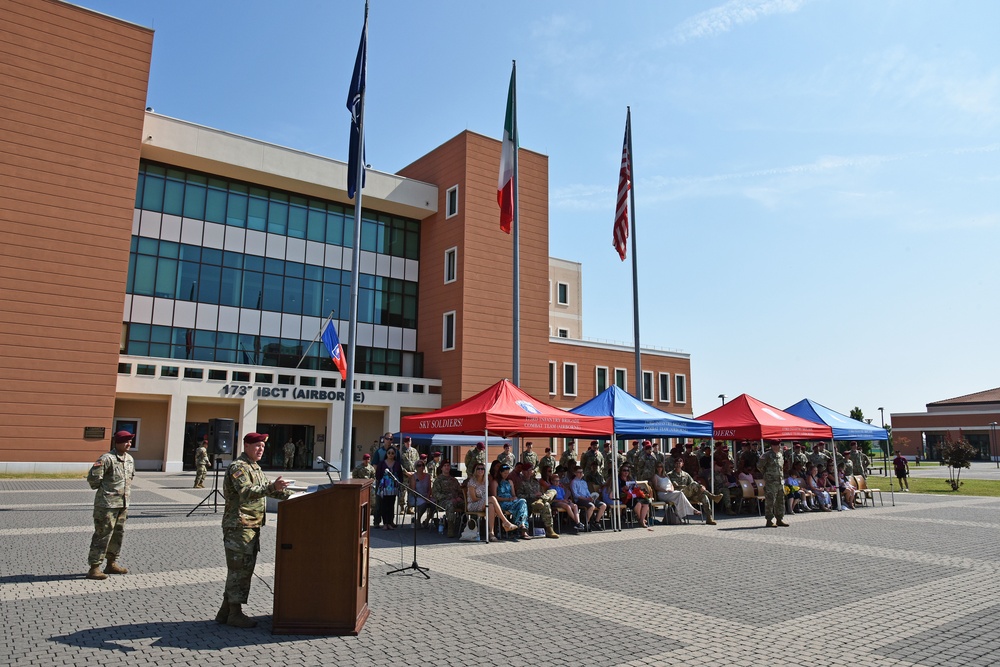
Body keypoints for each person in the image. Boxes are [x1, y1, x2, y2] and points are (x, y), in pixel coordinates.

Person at [219, 432, 291, 628]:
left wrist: (298, 496)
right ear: (246, 446)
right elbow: (247, 492)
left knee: (242, 570)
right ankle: (234, 614)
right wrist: (271, 487)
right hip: (239, 527)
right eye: (258, 445)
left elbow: (270, 490)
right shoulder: (238, 467)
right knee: (239, 571)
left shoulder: (255, 467)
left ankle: (225, 612)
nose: (261, 449)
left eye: (263, 446)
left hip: (250, 526)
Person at [86, 430, 136, 580]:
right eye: (126, 441)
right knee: (102, 535)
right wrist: (106, 492)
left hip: (123, 504)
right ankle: (94, 567)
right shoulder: (107, 458)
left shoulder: (129, 459)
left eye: (130, 441)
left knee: (118, 534)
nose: (129, 444)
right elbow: (93, 479)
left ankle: (111, 563)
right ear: (117, 442)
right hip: (106, 505)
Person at [468, 463, 518, 540]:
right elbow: (474, 499)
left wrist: (486, 501)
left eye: (482, 469)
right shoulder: (472, 482)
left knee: (491, 505)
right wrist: (486, 500)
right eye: (478, 469)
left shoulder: (486, 481)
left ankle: (491, 533)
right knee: (492, 499)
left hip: (484, 504)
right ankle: (505, 522)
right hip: (473, 505)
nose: (481, 470)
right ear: (475, 470)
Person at [667, 458, 719, 525]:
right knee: (694, 484)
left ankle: (709, 518)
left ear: (682, 464)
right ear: (674, 464)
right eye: (676, 463)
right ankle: (712, 496)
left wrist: (701, 487)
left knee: (704, 497)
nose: (678, 465)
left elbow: (692, 483)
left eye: (679, 463)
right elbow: (668, 486)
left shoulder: (686, 474)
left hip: (689, 494)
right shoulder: (670, 475)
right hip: (679, 494)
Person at [516, 463, 560, 539]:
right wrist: (534, 495)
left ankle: (541, 500)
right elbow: (519, 496)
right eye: (528, 470)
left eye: (531, 470)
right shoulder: (521, 483)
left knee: (553, 490)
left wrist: (541, 495)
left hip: (539, 500)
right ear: (523, 472)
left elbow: (541, 492)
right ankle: (549, 530)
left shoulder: (535, 482)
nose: (530, 472)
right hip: (530, 504)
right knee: (546, 504)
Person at [490, 464, 531, 539]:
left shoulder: (510, 482)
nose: (506, 475)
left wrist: (514, 498)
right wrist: (508, 499)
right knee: (522, 505)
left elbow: (513, 494)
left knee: (523, 502)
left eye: (507, 473)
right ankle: (522, 528)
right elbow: (494, 497)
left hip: (512, 502)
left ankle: (521, 525)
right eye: (504, 473)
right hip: (502, 503)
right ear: (500, 473)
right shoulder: (495, 482)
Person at [757, 440, 788, 527]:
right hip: (771, 482)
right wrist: (766, 474)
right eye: (777, 445)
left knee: (780, 501)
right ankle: (769, 520)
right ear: (773, 446)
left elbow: (781, 467)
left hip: (779, 481)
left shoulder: (780, 455)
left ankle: (779, 519)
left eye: (779, 445)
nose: (779, 447)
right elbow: (759, 466)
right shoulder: (766, 455)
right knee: (770, 501)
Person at [375, 446, 406, 529]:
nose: (390, 454)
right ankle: (385, 523)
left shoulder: (397, 464)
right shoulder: (382, 463)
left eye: (392, 453)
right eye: (389, 453)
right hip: (384, 487)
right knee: (384, 505)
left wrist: (399, 484)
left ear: (395, 454)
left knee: (391, 505)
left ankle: (390, 522)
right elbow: (378, 475)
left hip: (393, 488)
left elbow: (400, 475)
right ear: (386, 454)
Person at [432, 461, 465, 537]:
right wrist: (448, 498)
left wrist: (460, 498)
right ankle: (450, 529)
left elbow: (460, 491)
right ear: (442, 468)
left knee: (468, 504)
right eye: (445, 466)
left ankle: (471, 526)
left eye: (448, 466)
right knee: (450, 505)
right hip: (443, 502)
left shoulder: (454, 480)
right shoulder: (438, 480)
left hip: (456, 500)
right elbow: (436, 494)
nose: (447, 467)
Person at [617, 465, 652, 530]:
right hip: (626, 497)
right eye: (624, 470)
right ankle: (641, 520)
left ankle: (641, 519)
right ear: (621, 471)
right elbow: (617, 490)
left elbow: (635, 486)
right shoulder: (618, 479)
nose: (626, 472)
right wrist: (622, 488)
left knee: (646, 502)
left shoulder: (630, 478)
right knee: (638, 504)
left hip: (634, 496)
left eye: (627, 470)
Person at [409, 460, 433, 528]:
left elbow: (429, 489)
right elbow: (413, 490)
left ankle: (427, 520)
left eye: (423, 465)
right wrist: (424, 498)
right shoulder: (413, 477)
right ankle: (418, 519)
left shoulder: (428, 476)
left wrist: (428, 497)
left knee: (434, 504)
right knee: (423, 503)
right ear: (416, 467)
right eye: (419, 465)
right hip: (415, 496)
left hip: (426, 496)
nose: (421, 467)